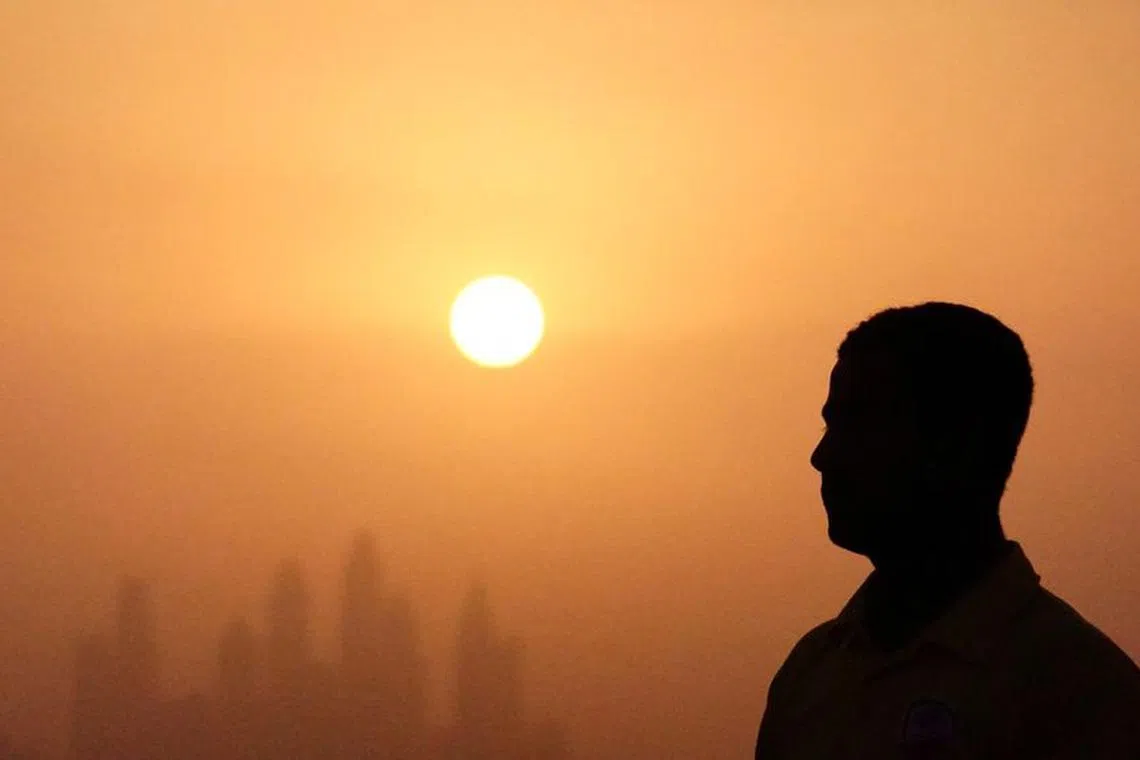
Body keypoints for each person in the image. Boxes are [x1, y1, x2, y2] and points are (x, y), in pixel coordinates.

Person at [755, 302, 1140, 759]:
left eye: (858, 424)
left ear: (957, 443)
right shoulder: (810, 676)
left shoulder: (1076, 689)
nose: (822, 457)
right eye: (830, 424)